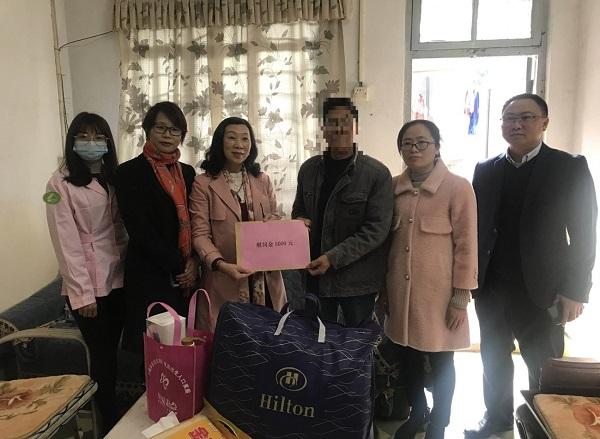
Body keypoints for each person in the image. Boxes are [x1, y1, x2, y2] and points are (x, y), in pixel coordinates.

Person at [464, 93, 597, 438]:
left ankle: (544, 424)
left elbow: (584, 234)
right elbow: (477, 229)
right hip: (492, 288)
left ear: (544, 123)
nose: (517, 124)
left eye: (526, 117)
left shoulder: (568, 167)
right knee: (493, 358)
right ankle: (497, 419)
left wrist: (575, 291)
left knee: (543, 364)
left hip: (544, 290)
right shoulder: (486, 170)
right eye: (509, 118)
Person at [382, 120, 477, 439]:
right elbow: (385, 245)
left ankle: (439, 422)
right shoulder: (392, 188)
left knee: (441, 361)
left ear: (437, 147)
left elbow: (467, 245)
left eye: (422, 142)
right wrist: (384, 292)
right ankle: (417, 412)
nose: (414, 149)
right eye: (407, 143)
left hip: (439, 298)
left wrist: (460, 297)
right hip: (400, 293)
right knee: (407, 357)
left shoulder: (458, 187)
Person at [45, 112, 127, 433]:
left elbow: (120, 229)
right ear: (73, 141)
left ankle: (118, 413)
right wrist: (82, 295)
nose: (91, 142)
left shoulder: (113, 176)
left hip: (118, 277)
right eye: (84, 136)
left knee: (115, 354)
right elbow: (66, 244)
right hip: (89, 286)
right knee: (102, 357)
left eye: (98, 136)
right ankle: (108, 423)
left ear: (107, 142)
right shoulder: (59, 183)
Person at [291, 97, 393, 326]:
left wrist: (332, 258)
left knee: (358, 343)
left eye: (345, 121)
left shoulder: (376, 174)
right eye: (332, 122)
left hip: (357, 284)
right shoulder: (308, 169)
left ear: (355, 127)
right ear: (323, 128)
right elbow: (299, 210)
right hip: (315, 277)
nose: (339, 128)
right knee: (317, 341)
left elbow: (376, 230)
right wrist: (299, 222)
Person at [114, 101, 199, 354]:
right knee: (151, 350)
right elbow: (140, 230)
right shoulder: (128, 173)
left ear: (181, 136)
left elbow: (197, 221)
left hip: (186, 278)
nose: (167, 135)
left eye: (174, 130)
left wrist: (194, 261)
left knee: (182, 348)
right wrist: (180, 265)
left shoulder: (188, 173)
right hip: (149, 275)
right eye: (160, 128)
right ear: (148, 130)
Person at [189, 117, 286, 322]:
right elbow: (200, 234)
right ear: (220, 142)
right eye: (232, 137)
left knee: (268, 335)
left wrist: (275, 223)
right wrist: (221, 264)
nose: (239, 145)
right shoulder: (203, 184)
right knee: (230, 336)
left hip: (265, 281)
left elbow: (275, 217)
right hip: (224, 277)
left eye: (245, 138)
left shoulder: (263, 180)